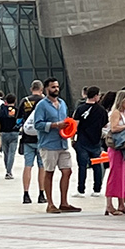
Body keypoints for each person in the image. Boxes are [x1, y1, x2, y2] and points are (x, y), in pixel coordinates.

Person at [34, 78, 79, 214]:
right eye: (53, 87)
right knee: (49, 172)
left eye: (57, 87)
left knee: (67, 171)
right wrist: (55, 125)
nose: (56, 89)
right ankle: (50, 203)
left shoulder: (62, 103)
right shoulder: (42, 105)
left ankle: (64, 202)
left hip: (62, 143)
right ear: (47, 89)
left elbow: (66, 120)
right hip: (48, 144)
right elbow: (38, 124)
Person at [73, 87, 108, 197]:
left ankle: (81, 190)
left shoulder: (80, 108)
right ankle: (97, 189)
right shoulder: (102, 110)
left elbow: (75, 125)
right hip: (96, 141)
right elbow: (105, 125)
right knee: (97, 165)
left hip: (82, 140)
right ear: (96, 95)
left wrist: (72, 138)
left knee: (82, 166)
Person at [105, 90, 125, 216]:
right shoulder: (116, 113)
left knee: (124, 175)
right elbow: (114, 128)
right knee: (115, 174)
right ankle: (109, 204)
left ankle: (122, 203)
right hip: (117, 147)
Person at [18, 81, 46, 204]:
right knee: (42, 167)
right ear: (42, 89)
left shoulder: (24, 101)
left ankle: (26, 194)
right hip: (42, 138)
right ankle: (41, 194)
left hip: (27, 138)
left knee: (28, 166)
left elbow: (18, 120)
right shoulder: (44, 102)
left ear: (31, 89)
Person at [0, 93, 19, 179]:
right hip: (14, 133)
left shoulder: (2, 110)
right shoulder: (17, 110)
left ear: (5, 101)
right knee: (12, 153)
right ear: (15, 101)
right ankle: (9, 171)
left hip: (4, 132)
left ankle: (7, 169)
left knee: (5, 153)